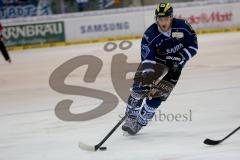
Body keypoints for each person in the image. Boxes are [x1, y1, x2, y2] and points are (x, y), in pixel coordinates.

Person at [122, 2, 198, 135]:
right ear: (156, 19)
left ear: (171, 17)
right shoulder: (150, 34)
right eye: (160, 19)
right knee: (138, 90)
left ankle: (140, 123)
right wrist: (147, 75)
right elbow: (148, 58)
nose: (163, 22)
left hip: (175, 66)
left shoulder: (183, 27)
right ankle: (130, 118)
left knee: (157, 97)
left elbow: (193, 46)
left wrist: (181, 58)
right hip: (155, 63)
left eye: (166, 19)